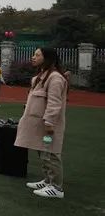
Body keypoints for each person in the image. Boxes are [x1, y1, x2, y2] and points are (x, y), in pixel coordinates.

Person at [15, 48, 68, 199]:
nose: (33, 57)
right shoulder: (42, 76)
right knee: (42, 151)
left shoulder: (55, 78)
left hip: (48, 127)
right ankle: (48, 180)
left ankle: (56, 187)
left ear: (47, 58)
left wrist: (49, 122)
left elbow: (54, 103)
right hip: (39, 124)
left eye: (37, 55)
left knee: (50, 152)